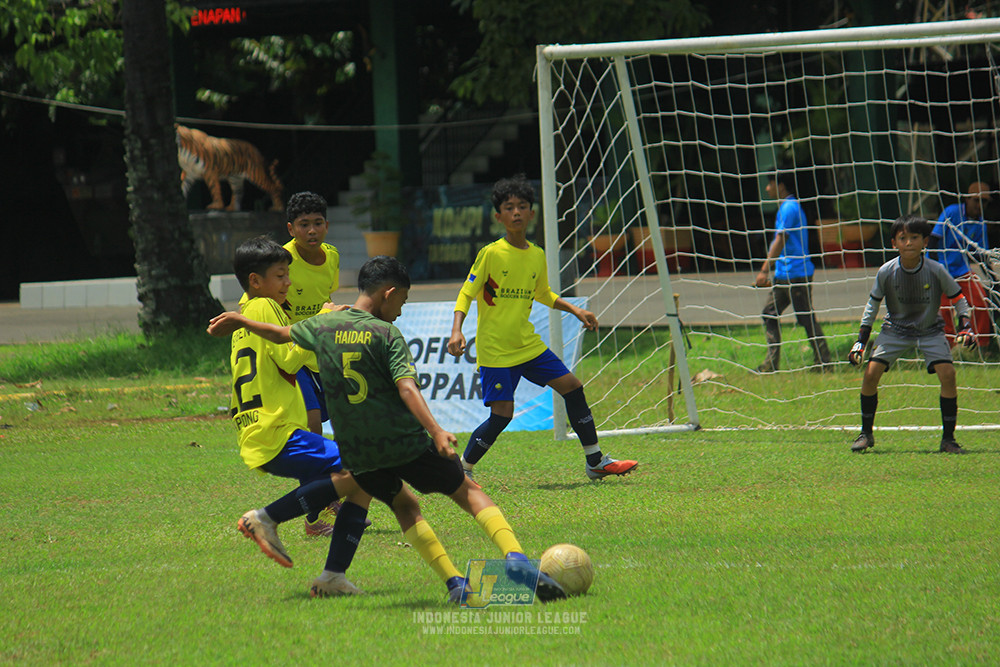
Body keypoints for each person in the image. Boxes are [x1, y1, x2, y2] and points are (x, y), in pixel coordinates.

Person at [208, 255, 567, 604]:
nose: (401, 309)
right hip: (403, 441)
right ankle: (516, 560)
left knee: (405, 505)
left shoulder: (324, 325)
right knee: (468, 491)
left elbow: (279, 333)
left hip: (360, 451)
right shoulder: (385, 333)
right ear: (388, 292)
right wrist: (438, 431)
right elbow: (407, 388)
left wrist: (240, 321)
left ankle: (455, 583)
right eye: (403, 300)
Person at [446, 175, 638, 483]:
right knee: (502, 415)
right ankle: (462, 470)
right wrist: (457, 330)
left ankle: (595, 460)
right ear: (499, 216)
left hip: (528, 346)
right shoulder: (491, 253)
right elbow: (467, 292)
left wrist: (575, 309)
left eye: (522, 206)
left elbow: (543, 293)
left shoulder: (536, 254)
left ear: (532, 214)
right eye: (509, 208)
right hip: (496, 350)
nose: (517, 212)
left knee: (572, 386)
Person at [222, 236, 372, 597]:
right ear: (256, 281)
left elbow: (287, 359)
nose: (288, 282)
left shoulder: (247, 312)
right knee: (366, 468)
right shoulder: (263, 307)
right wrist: (320, 322)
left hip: (258, 430)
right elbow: (289, 358)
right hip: (275, 428)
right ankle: (265, 519)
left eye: (288, 274)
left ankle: (333, 576)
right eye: (280, 275)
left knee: (360, 478)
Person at [239, 192, 344, 536]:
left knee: (344, 434)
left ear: (327, 226)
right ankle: (314, 512)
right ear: (291, 228)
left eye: (317, 223)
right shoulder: (274, 268)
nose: (311, 231)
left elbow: (325, 298)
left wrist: (327, 316)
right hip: (292, 358)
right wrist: (318, 323)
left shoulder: (331, 258)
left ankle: (327, 503)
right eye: (304, 224)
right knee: (318, 432)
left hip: (315, 354)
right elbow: (253, 312)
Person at [847, 215, 976, 454]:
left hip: (930, 330)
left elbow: (958, 298)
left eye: (914, 237)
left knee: (948, 374)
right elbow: (872, 306)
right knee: (871, 374)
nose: (908, 243)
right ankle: (866, 433)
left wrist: (965, 326)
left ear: (925, 241)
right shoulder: (886, 271)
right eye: (902, 238)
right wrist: (860, 342)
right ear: (894, 243)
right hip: (894, 329)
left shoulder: (936, 270)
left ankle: (948, 439)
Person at [754, 170, 831, 372]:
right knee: (769, 314)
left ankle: (824, 363)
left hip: (796, 273)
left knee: (806, 317)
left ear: (780, 185)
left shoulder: (789, 207)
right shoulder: (787, 207)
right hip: (783, 274)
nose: (767, 188)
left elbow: (781, 239)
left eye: (770, 183)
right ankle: (770, 364)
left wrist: (764, 270)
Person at [930, 181, 994, 349]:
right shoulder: (952, 212)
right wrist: (935, 267)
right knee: (944, 309)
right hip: (942, 269)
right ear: (967, 199)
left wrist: (993, 279)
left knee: (981, 301)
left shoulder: (980, 224)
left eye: (984, 202)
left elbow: (980, 254)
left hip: (962, 270)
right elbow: (933, 239)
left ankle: (980, 345)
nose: (979, 205)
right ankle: (948, 346)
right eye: (976, 200)